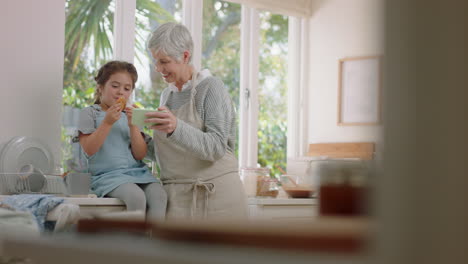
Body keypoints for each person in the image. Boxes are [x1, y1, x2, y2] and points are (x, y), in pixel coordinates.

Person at [145, 22, 247, 220]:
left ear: (185, 56)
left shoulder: (211, 88)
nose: (158, 68)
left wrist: (175, 127)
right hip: (177, 201)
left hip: (217, 200)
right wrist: (135, 137)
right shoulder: (167, 96)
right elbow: (172, 155)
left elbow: (216, 147)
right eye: (155, 61)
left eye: (164, 61)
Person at [77, 60, 167, 221]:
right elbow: (88, 149)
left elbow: (139, 154)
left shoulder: (130, 115)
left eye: (127, 88)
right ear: (101, 86)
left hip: (137, 173)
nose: (121, 92)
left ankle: (154, 244)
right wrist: (107, 122)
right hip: (107, 176)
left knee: (160, 196)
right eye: (115, 86)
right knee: (136, 197)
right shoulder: (89, 113)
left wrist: (133, 126)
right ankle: (132, 244)